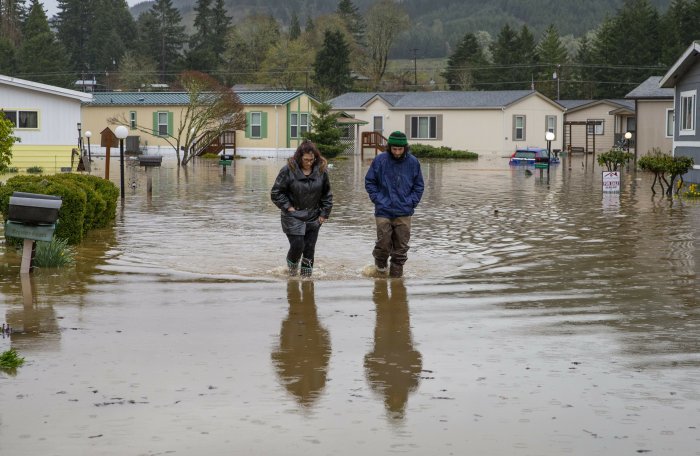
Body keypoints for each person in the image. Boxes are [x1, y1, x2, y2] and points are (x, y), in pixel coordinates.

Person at [365, 131, 424, 278]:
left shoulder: (413, 162)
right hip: (383, 210)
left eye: (400, 149)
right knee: (383, 244)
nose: (397, 152)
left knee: (401, 248)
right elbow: (370, 182)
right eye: (394, 149)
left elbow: (419, 186)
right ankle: (380, 273)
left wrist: (411, 202)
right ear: (389, 147)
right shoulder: (380, 160)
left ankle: (397, 282)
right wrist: (378, 199)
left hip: (404, 211)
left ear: (405, 148)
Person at [271, 140, 333, 277]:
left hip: (314, 216)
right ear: (299, 157)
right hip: (292, 215)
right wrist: (288, 208)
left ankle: (307, 279)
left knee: (309, 250)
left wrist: (324, 214)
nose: (309, 162)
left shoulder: (322, 171)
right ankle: (292, 272)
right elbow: (276, 193)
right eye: (306, 160)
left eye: (312, 159)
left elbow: (327, 194)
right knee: (298, 245)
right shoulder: (288, 170)